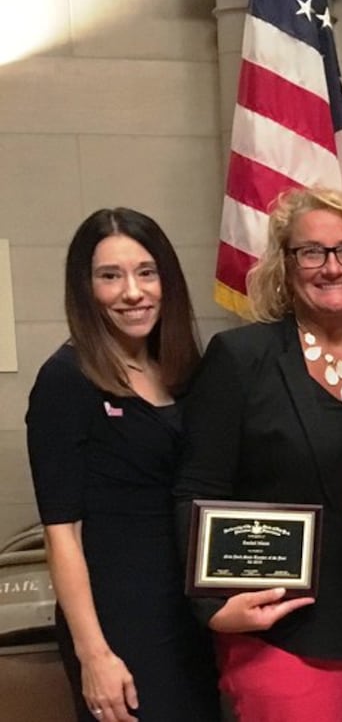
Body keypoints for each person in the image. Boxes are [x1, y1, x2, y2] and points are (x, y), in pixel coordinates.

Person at [175, 188, 342, 722]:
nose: (332, 267)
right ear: (284, 265)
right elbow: (197, 487)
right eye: (312, 252)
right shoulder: (242, 359)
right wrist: (212, 609)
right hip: (284, 634)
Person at [25, 208, 219, 722]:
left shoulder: (180, 369)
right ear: (86, 289)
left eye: (146, 272)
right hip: (118, 620)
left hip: (189, 614)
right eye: (110, 276)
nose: (133, 292)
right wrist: (93, 654)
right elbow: (61, 531)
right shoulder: (65, 380)